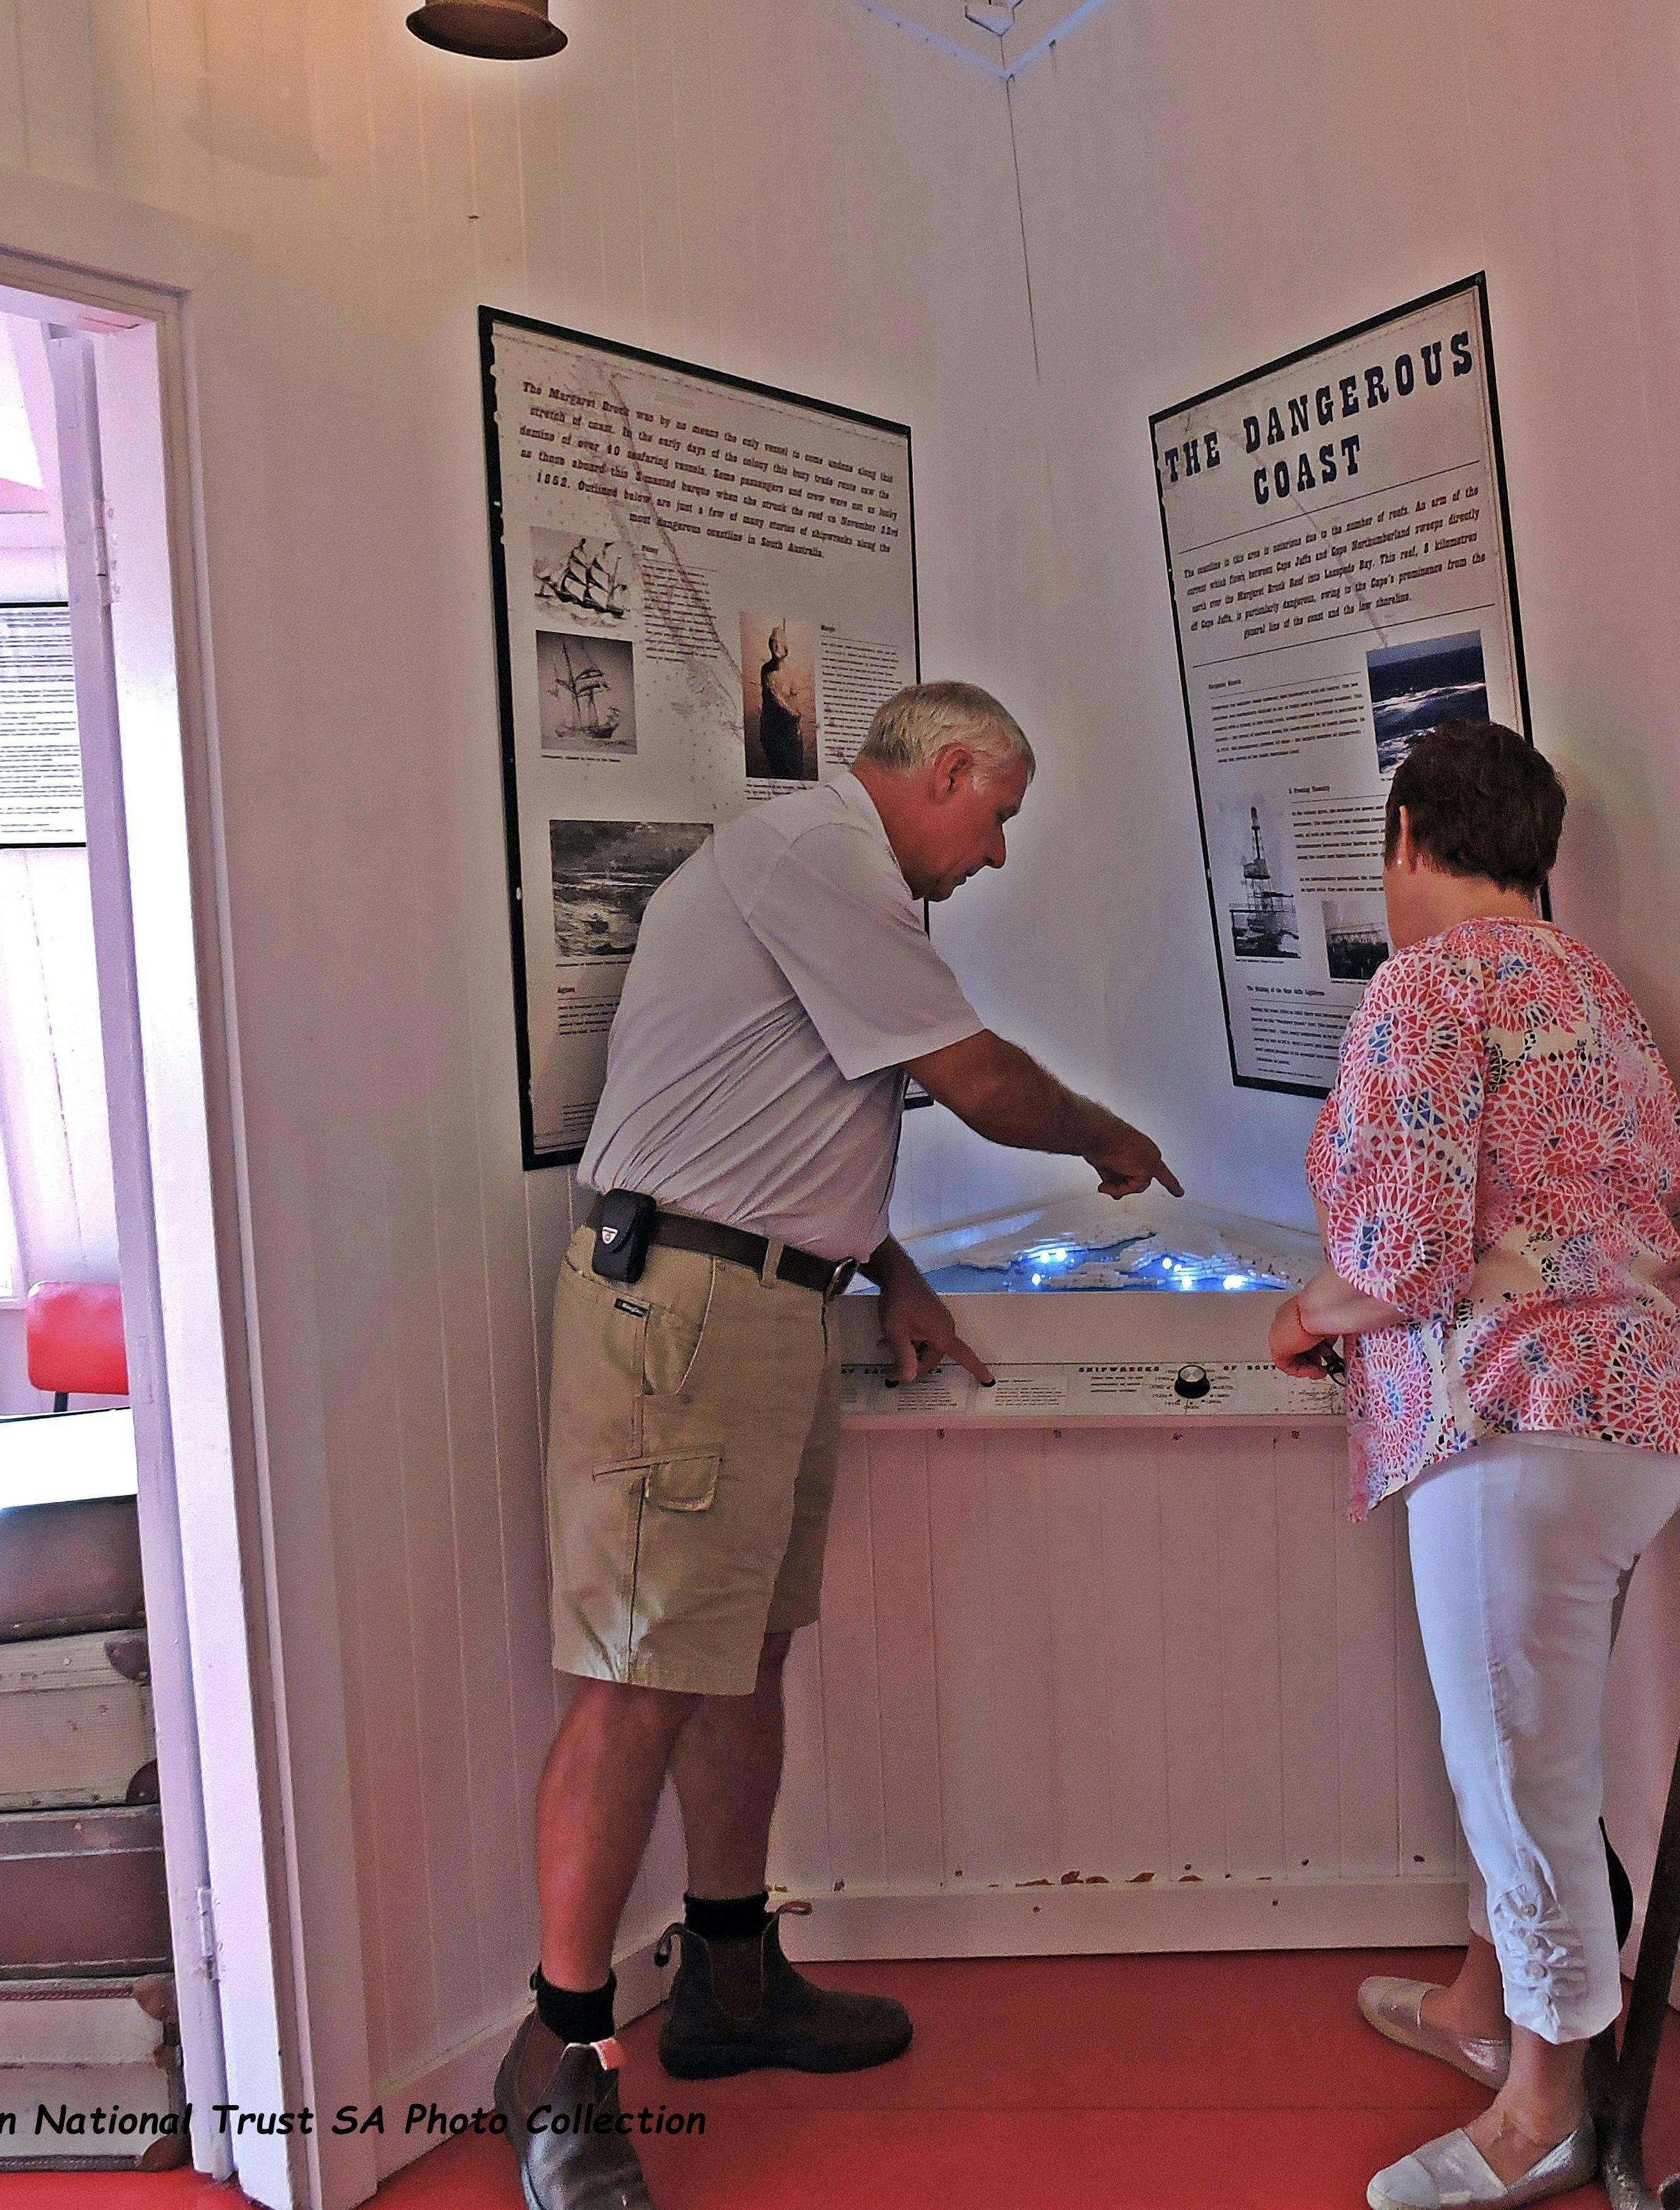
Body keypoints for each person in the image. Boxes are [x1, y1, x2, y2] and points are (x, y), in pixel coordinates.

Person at [499, 679, 1179, 2210]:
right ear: (946, 771)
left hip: (760, 1307)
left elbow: (784, 1121)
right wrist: (1111, 1138)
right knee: (635, 1678)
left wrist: (897, 1274)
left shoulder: (834, 877)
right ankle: (560, 2062)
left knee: (735, 1655)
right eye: (997, 815)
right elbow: (976, 1079)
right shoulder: (818, 854)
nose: (996, 852)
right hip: (682, 1317)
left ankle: (734, 1975)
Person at [1268, 719, 1680, 2210]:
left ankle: (1542, 2111)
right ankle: (1479, 1999)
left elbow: (1406, 1250)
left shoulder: (1423, 984)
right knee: (1530, 1737)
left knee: (1517, 1765)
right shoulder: (1599, 990)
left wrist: (1307, 1310)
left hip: (1513, 1414)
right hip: (1642, 1410)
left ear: (1407, 840)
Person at [750, 622, 810, 780]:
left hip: (789, 731)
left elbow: (794, 697)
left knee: (793, 771)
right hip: (773, 730)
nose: (777, 647)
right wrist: (794, 714)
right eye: (774, 643)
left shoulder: (789, 674)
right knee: (779, 769)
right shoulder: (767, 671)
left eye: (780, 643)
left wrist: (797, 720)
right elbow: (777, 698)